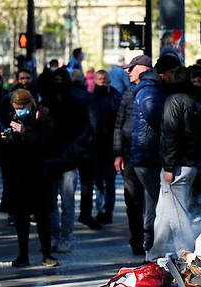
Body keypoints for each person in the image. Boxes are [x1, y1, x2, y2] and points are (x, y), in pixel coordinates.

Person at [148, 66, 201, 259]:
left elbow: (171, 135)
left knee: (177, 215)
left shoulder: (174, 101)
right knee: (165, 211)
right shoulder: (197, 102)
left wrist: (168, 166)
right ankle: (155, 252)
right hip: (189, 163)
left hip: (177, 165)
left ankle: (187, 254)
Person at [0, 89, 59, 267]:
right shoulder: (12, 118)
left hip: (39, 174)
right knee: (21, 217)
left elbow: (48, 141)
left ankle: (46, 253)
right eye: (16, 107)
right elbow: (8, 150)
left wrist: (26, 132)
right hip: (18, 175)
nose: (19, 110)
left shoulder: (42, 115)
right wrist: (3, 139)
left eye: (21, 107)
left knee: (42, 216)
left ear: (29, 104)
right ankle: (23, 255)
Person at [130, 54, 180, 261]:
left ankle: (150, 248)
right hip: (148, 155)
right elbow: (157, 118)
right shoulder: (151, 91)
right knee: (154, 205)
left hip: (146, 154)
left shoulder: (152, 89)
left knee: (155, 204)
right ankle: (149, 248)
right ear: (166, 73)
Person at [43, 67, 93, 253]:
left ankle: (64, 237)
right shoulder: (48, 102)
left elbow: (83, 130)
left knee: (67, 202)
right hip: (53, 159)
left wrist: (74, 152)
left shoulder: (75, 103)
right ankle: (57, 236)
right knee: (53, 203)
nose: (58, 83)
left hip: (67, 160)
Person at [113, 55, 151, 255]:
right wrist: (118, 153)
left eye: (131, 68)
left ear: (143, 68)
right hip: (130, 156)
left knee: (150, 202)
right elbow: (119, 124)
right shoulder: (128, 93)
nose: (127, 72)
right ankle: (137, 239)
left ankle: (148, 239)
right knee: (133, 201)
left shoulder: (154, 91)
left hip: (149, 157)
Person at [91, 70, 121, 224]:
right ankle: (100, 209)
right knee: (98, 181)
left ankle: (107, 212)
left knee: (109, 182)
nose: (103, 81)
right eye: (100, 78)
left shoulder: (115, 96)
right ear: (95, 80)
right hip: (96, 147)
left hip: (110, 146)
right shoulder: (91, 97)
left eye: (105, 79)